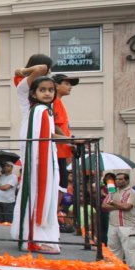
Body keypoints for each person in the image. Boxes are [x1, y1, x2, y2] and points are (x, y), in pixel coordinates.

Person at [11, 75, 61, 254]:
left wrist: (69, 140)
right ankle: (33, 239)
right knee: (37, 197)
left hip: (46, 161)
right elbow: (40, 139)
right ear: (34, 93)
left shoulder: (45, 111)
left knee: (45, 198)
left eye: (51, 90)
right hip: (40, 163)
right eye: (43, 90)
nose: (47, 93)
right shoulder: (40, 110)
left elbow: (49, 135)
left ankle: (39, 237)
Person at [52, 73, 79, 223]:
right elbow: (55, 125)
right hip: (59, 150)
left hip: (62, 149)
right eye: (66, 84)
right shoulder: (55, 101)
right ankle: (53, 213)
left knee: (62, 183)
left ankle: (55, 213)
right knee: (60, 183)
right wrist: (70, 141)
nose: (70, 87)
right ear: (56, 85)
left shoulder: (58, 102)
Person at [103, 172, 135, 270]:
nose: (118, 181)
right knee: (113, 249)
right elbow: (104, 205)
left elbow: (127, 207)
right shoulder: (113, 191)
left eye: (121, 179)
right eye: (117, 179)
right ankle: (115, 269)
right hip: (113, 224)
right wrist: (118, 205)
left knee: (130, 250)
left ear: (127, 180)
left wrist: (113, 202)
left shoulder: (132, 193)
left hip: (128, 226)